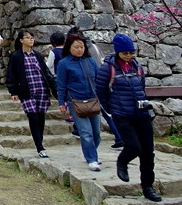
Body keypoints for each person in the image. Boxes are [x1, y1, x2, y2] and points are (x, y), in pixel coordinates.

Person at [95, 34, 162, 202]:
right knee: (134, 147)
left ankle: (148, 187)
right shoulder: (107, 69)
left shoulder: (137, 66)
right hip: (122, 114)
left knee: (148, 153)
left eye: (131, 53)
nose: (129, 56)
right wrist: (111, 110)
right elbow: (101, 92)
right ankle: (122, 161)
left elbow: (142, 87)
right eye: (125, 53)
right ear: (118, 52)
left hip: (141, 113)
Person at [68, 26, 124, 149]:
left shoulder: (83, 49)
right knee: (101, 110)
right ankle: (78, 129)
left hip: (92, 83)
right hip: (101, 80)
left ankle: (119, 137)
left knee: (103, 110)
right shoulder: (93, 45)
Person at [6, 30, 56, 158]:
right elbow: (11, 74)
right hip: (27, 92)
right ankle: (40, 147)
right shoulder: (17, 56)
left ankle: (40, 141)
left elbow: (45, 72)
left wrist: (54, 88)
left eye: (32, 38)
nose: (31, 40)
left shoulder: (37, 55)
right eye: (27, 38)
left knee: (41, 118)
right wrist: (13, 91)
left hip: (41, 90)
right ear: (21, 40)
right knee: (33, 118)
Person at [56, 34, 102, 171]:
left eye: (81, 47)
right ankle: (92, 159)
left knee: (96, 132)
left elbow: (99, 80)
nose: (79, 50)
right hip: (75, 101)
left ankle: (92, 153)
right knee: (85, 132)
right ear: (69, 48)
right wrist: (61, 102)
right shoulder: (64, 64)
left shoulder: (91, 61)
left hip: (93, 100)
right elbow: (61, 84)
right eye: (76, 47)